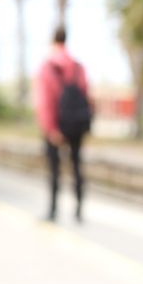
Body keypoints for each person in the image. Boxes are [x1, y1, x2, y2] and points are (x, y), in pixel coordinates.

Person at [35, 25, 92, 222]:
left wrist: (51, 128)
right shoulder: (78, 66)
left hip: (56, 124)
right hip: (76, 123)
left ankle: (53, 210)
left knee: (54, 168)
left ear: (53, 41)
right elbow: (85, 94)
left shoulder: (47, 66)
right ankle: (78, 210)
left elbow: (45, 100)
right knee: (77, 165)